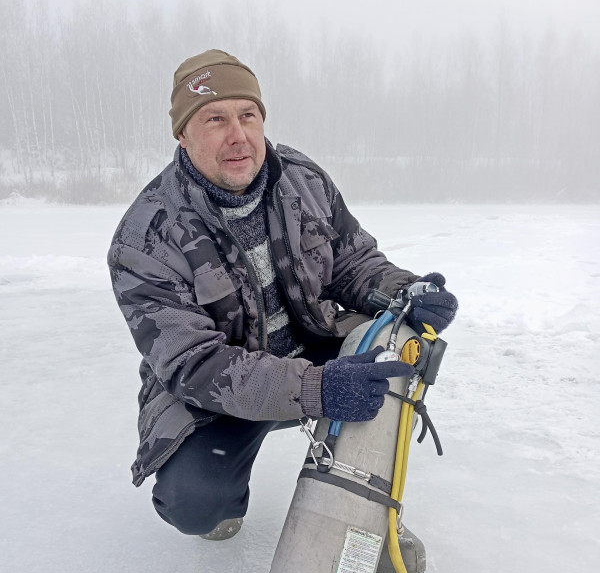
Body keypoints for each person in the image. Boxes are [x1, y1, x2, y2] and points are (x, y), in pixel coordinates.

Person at [107, 49, 458, 542]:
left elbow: (353, 262)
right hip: (218, 391)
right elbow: (195, 366)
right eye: (214, 119)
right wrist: (315, 388)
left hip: (310, 345)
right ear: (183, 136)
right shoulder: (145, 240)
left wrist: (406, 292)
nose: (238, 135)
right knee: (194, 500)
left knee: (392, 351)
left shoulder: (301, 179)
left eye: (247, 115)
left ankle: (371, 517)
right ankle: (221, 498)